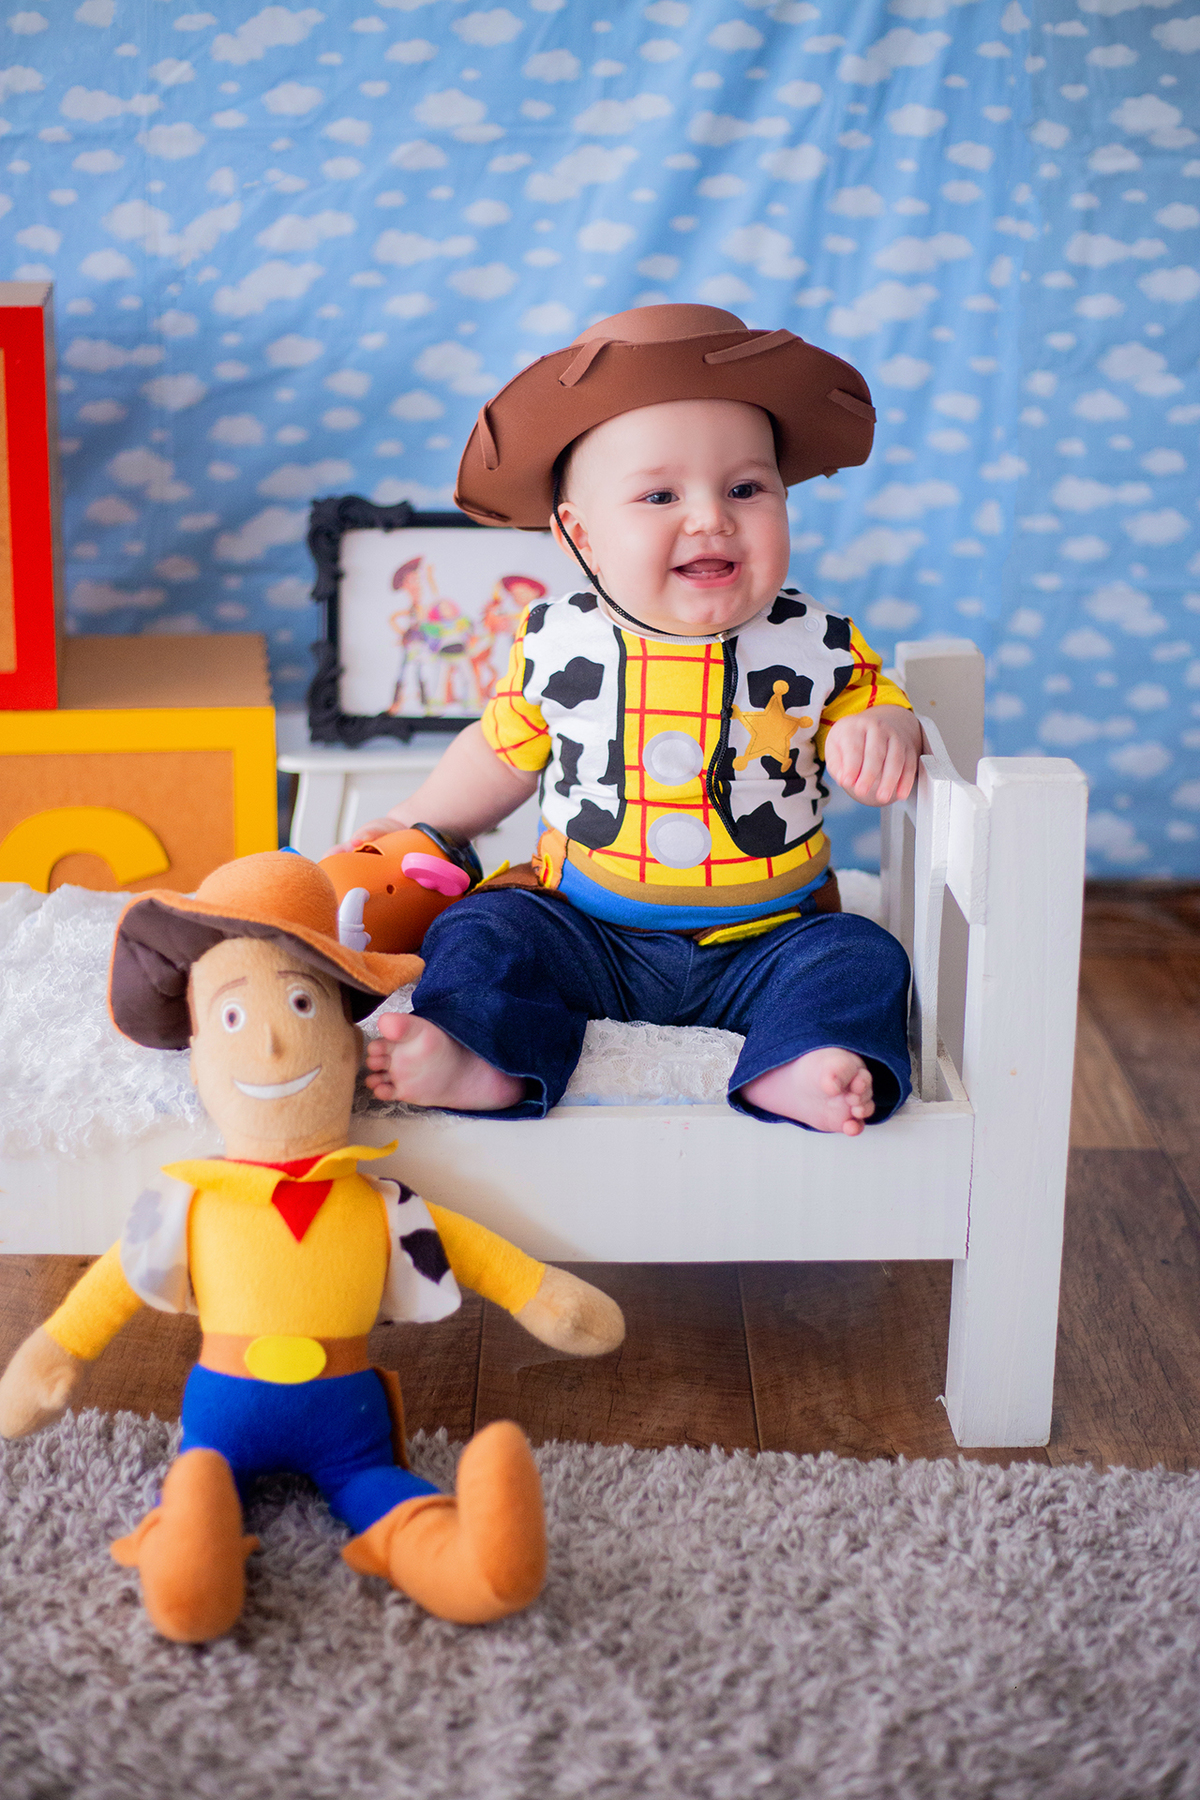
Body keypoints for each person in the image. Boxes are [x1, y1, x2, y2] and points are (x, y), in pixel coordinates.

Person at [335, 305, 923, 1138]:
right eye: (659, 494)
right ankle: (481, 1054)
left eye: (747, 489)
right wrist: (414, 822)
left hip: (765, 939)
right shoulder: (558, 639)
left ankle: (798, 1059)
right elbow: (501, 755)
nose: (712, 517)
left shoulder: (815, 639)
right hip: (587, 931)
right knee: (484, 929)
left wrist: (885, 733)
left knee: (863, 956)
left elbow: (872, 700)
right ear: (580, 535)